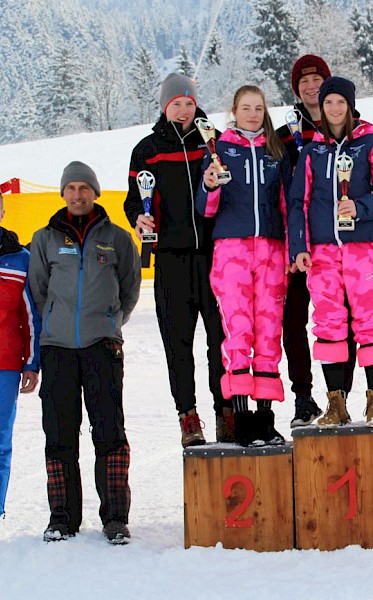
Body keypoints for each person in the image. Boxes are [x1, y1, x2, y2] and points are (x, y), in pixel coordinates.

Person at [29, 162, 141, 544]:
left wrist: (110, 323)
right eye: (71, 188)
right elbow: (38, 291)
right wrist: (56, 324)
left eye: (84, 188)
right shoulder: (44, 239)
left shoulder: (118, 239)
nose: (77, 195)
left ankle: (115, 519)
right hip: (57, 349)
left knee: (109, 432)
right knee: (59, 434)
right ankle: (62, 518)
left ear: (95, 192)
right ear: (63, 193)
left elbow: (129, 289)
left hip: (102, 347)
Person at [124, 73, 230, 446]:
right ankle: (188, 415)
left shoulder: (212, 140)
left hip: (214, 256)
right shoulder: (147, 149)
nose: (183, 110)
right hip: (170, 259)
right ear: (164, 106)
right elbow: (134, 199)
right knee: (178, 343)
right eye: (176, 104)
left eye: (188, 103)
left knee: (222, 340)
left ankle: (226, 409)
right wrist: (138, 218)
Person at [288, 76, 373, 427]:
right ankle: (336, 402)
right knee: (329, 323)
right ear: (320, 107)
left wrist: (361, 208)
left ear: (350, 106)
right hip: (322, 251)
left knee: (369, 322)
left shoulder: (370, 144)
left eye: (340, 102)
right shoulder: (312, 151)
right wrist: (299, 247)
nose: (334, 109)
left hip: (363, 248)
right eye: (328, 103)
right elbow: (297, 202)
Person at [196, 85, 290, 446]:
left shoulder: (275, 150)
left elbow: (286, 204)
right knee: (238, 333)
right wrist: (209, 183)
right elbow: (204, 208)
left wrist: (294, 246)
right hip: (232, 250)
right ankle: (240, 421)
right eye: (245, 107)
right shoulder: (220, 150)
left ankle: (265, 420)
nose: (252, 113)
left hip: (270, 249)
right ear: (233, 110)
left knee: (268, 331)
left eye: (258, 107)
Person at [275, 54, 357, 428]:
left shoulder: (351, 129)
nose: (311, 86)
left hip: (338, 244)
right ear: (296, 89)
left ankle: (340, 395)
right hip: (297, 245)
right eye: (303, 81)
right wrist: (292, 242)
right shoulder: (281, 135)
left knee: (344, 319)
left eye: (317, 80)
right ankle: (303, 396)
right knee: (294, 320)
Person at [0, 191, 40, 518]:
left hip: (6, 365)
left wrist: (31, 362)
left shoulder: (20, 259)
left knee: (0, 442)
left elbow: (31, 316)